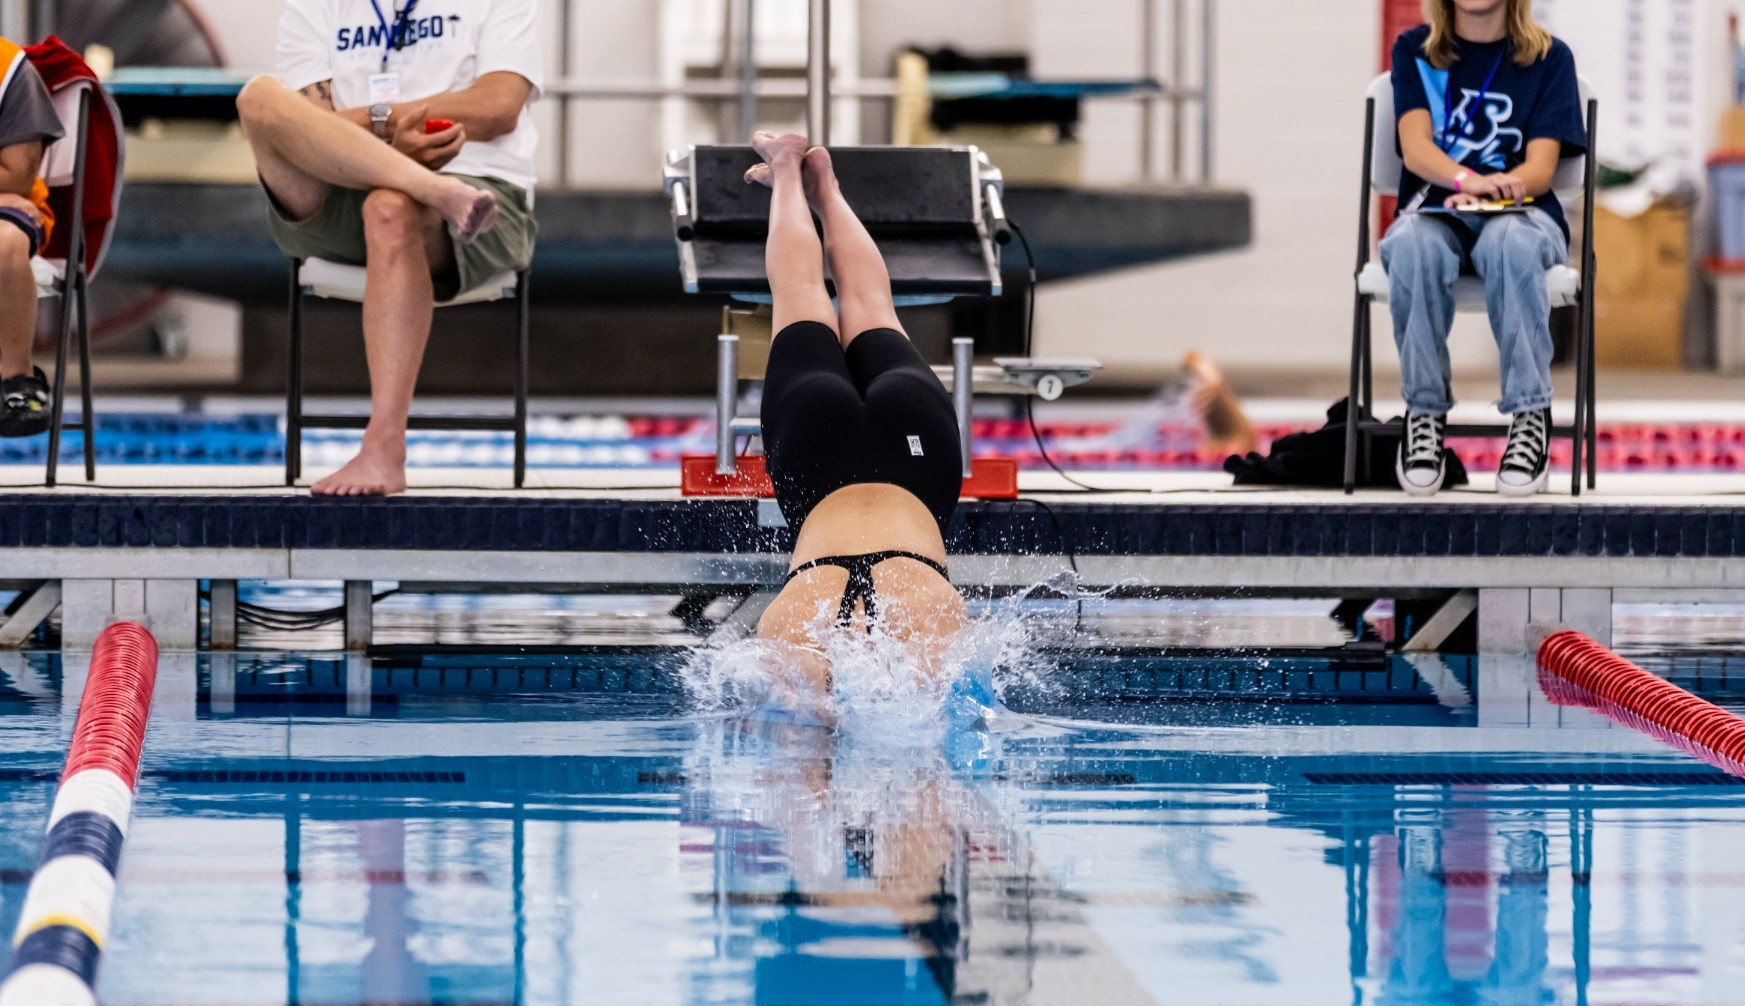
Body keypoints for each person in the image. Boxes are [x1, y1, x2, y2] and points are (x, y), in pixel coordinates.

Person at [237, 0, 543, 496]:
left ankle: (383, 450)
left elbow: (497, 107)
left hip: (480, 195)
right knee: (259, 98)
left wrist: (362, 125)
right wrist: (388, 138)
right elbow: (301, 127)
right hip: (338, 189)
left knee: (389, 208)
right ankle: (431, 190)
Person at [744, 132, 969, 706]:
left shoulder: (803, 628)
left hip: (917, 457)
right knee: (803, 295)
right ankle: (796, 173)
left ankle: (820, 183)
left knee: (868, 302)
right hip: (818, 452)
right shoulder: (794, 624)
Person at [1382, 0, 1586, 497]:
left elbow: (1540, 168)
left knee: (1510, 241)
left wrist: (1496, 189)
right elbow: (1416, 148)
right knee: (1410, 244)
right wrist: (1466, 180)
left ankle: (1529, 417)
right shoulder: (1416, 50)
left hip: (1522, 213)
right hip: (1439, 207)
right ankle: (1424, 416)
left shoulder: (1548, 58)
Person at [0, 36, 65, 438]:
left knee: (5, 244)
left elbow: (17, 174)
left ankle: (16, 380)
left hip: (7, 205)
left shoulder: (10, 69)